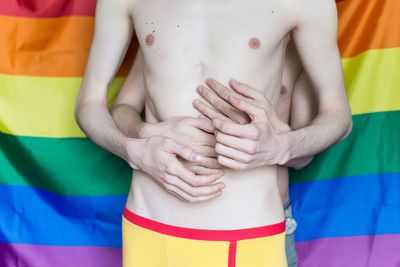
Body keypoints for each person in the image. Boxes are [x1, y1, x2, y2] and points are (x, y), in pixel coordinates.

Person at [75, 0, 352, 266]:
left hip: (249, 227)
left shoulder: (302, 4)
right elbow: (89, 104)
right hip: (150, 221)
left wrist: (284, 145)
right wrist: (132, 149)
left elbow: (339, 114)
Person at [110, 40, 318, 267]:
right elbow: (122, 108)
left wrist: (272, 132)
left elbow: (303, 157)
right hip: (163, 221)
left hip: (259, 229)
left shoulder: (295, 37)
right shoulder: (165, 27)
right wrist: (148, 131)